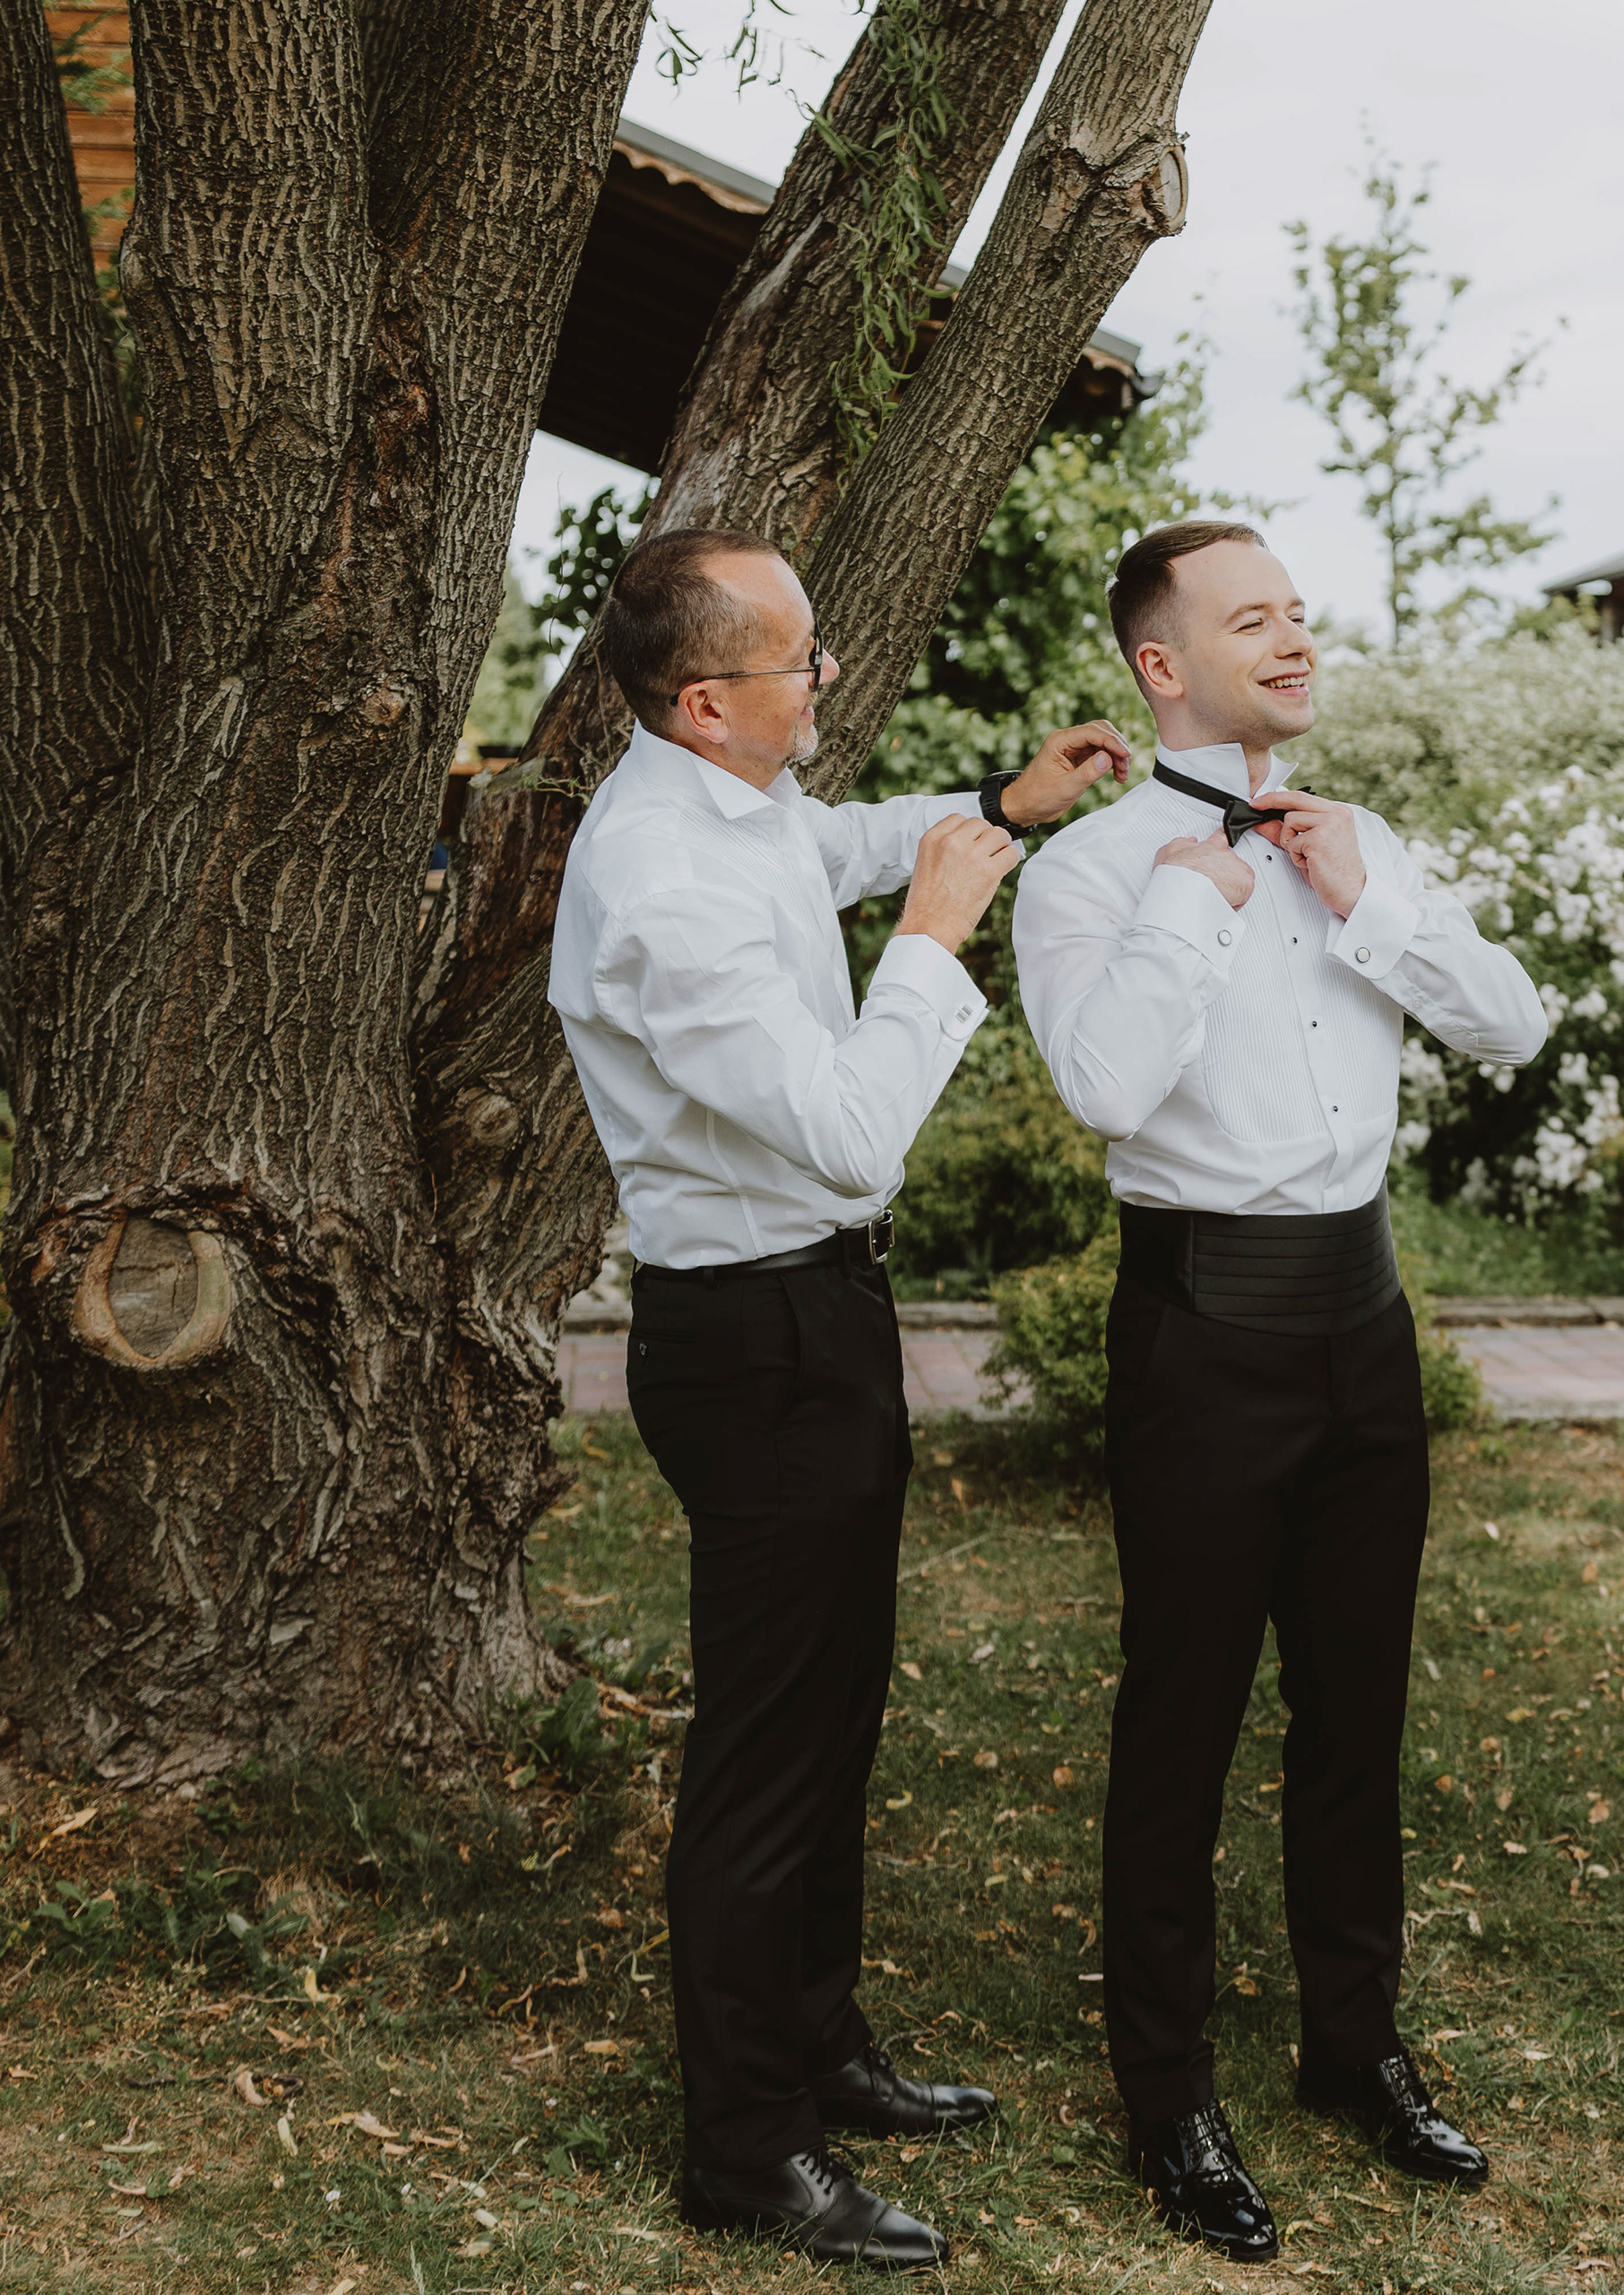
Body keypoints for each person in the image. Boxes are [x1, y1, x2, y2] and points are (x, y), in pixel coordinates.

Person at [547, 527, 1131, 2268]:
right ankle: (746, 2146)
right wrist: (936, 940)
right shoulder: (659, 881)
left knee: (835, 1717)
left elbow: (837, 844)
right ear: (704, 699)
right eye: (799, 660)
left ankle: (819, 2044)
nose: (825, 680)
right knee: (765, 1754)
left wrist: (999, 810)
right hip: (754, 1344)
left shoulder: (737, 802)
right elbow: (853, 1134)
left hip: (820, 1319)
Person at [1008, 521, 1548, 2262]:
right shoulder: (1089, 875)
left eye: (1300, 614)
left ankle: (1352, 2043)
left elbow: (1511, 1026)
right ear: (1162, 666)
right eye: (1256, 621)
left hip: (1364, 1327)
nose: (1298, 641)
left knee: (1356, 1710)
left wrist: (1369, 905)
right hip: (1201, 1333)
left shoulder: (1360, 841)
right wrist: (1194, 898)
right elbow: (1106, 1087)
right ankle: (1167, 2091)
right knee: (1182, 1723)